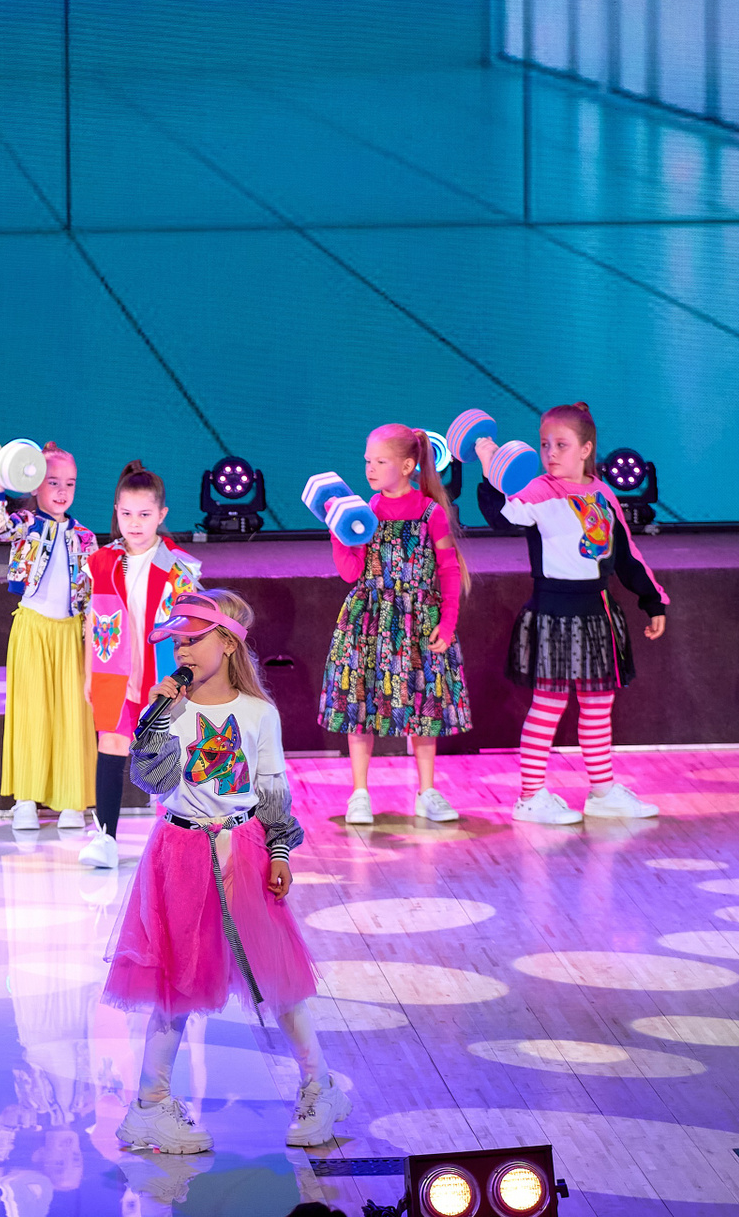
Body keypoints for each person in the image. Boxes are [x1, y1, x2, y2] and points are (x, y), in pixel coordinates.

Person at [106, 590, 349, 1153]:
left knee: (274, 973)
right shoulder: (168, 711)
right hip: (179, 852)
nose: (183, 651)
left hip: (244, 849)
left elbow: (271, 789)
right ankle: (150, 1106)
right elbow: (151, 780)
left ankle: (320, 1087)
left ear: (228, 644)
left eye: (194, 640)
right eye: (177, 643)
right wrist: (156, 721)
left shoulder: (259, 714)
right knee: (176, 979)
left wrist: (280, 852)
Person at [476, 402, 668, 825]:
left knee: (598, 706)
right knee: (548, 705)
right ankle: (531, 796)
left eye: (561, 445)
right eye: (545, 445)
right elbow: (503, 517)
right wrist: (490, 473)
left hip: (596, 615)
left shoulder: (603, 495)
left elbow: (626, 556)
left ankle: (602, 793)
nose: (550, 453)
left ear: (586, 449)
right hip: (554, 614)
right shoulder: (538, 492)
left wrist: (652, 600)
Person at [319, 424, 472, 826]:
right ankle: (359, 793)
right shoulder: (363, 514)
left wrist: (448, 622)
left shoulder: (431, 513)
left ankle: (427, 791)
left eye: (380, 461)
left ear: (406, 466)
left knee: (423, 704)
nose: (370, 468)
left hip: (418, 620)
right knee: (360, 703)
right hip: (369, 619)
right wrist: (338, 533)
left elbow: (448, 569)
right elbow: (351, 573)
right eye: (367, 461)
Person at [80, 462, 201, 869]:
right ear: (116, 511)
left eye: (145, 514)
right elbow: (94, 621)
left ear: (161, 515)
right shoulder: (102, 562)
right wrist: (89, 674)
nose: (135, 523)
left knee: (164, 750)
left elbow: (192, 628)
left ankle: (176, 838)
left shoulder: (178, 567)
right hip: (113, 672)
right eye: (127, 513)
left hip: (161, 674)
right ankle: (105, 838)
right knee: (111, 745)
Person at [0, 443, 99, 832]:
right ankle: (26, 799)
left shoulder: (85, 537)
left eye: (70, 483)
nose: (62, 491)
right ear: (35, 485)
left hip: (70, 634)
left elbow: (94, 592)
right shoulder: (26, 523)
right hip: (32, 630)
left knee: (72, 714)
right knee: (31, 712)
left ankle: (71, 800)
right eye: (53, 482)